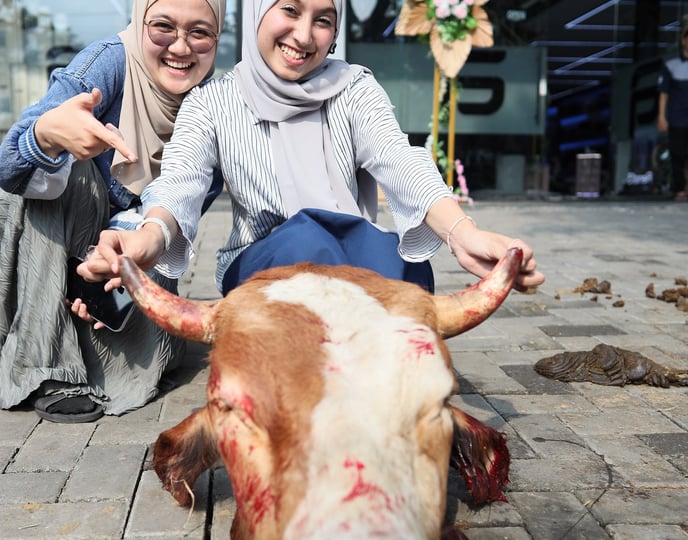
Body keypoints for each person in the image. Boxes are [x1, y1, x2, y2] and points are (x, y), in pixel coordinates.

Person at [81, 0, 543, 313]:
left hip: (358, 252)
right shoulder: (212, 102)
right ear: (258, 10)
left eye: (323, 19)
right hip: (263, 264)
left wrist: (463, 233)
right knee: (306, 238)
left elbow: (398, 160)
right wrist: (152, 236)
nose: (304, 36)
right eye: (289, 9)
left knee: (403, 266)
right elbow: (180, 182)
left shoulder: (355, 88)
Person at [0, 0, 226, 423]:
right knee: (74, 167)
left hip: (93, 239)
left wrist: (104, 268)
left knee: (153, 310)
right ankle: (46, 369)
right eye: (163, 27)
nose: (180, 47)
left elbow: (176, 216)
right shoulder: (107, 63)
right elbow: (10, 172)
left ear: (218, 36)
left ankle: (61, 327)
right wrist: (47, 136)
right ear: (140, 21)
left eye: (200, 32)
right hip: (14, 218)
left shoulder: (213, 109)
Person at [657, 19, 688, 202]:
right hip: (677, 118)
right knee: (678, 155)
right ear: (683, 40)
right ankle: (679, 189)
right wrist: (661, 116)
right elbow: (664, 92)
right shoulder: (671, 65)